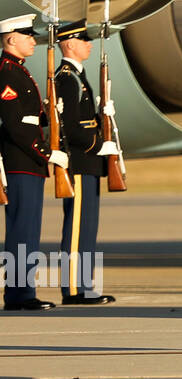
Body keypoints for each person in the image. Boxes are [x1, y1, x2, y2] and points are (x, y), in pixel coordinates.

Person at [0, 15, 64, 311]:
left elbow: (28, 117)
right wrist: (46, 152)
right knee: (21, 231)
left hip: (29, 162)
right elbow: (14, 126)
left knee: (28, 231)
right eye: (27, 36)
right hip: (21, 161)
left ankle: (23, 291)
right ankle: (19, 294)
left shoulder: (19, 72)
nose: (33, 41)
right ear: (11, 39)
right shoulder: (7, 73)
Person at [52, 20, 118, 305]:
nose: (89, 44)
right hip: (80, 160)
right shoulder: (67, 78)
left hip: (89, 161)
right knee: (77, 227)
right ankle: (73, 289)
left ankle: (85, 284)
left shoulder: (78, 75)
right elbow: (67, 125)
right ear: (69, 44)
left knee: (88, 226)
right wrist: (96, 144)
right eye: (83, 40)